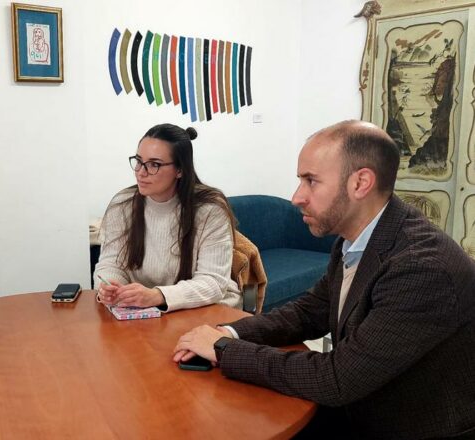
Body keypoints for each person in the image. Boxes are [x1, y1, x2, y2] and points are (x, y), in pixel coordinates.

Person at [173, 120, 475, 439]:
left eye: (311, 181)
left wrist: (223, 350)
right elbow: (309, 312)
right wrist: (229, 331)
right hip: (363, 401)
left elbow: (336, 379)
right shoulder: (354, 237)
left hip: (406, 425)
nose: (296, 197)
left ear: (360, 183)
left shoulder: (421, 268)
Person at [94, 123, 242, 312]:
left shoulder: (210, 210)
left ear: (180, 170)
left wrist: (157, 296)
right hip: (145, 311)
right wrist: (110, 288)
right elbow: (110, 263)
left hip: (205, 308)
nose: (141, 172)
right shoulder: (122, 204)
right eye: (139, 161)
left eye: (154, 164)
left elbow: (213, 282)